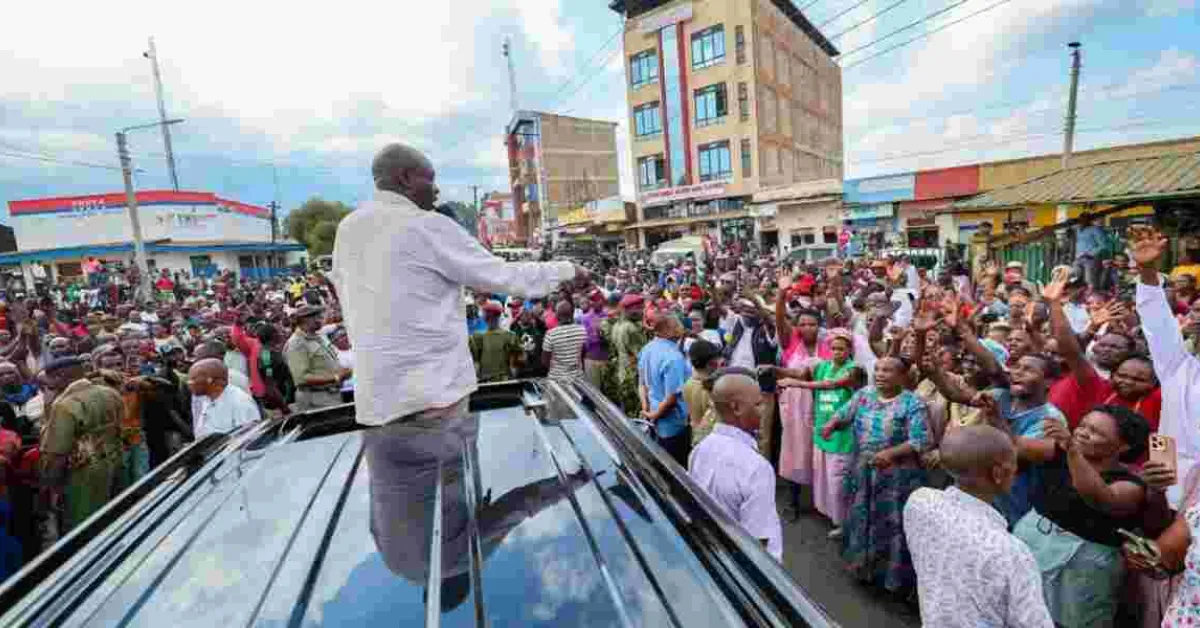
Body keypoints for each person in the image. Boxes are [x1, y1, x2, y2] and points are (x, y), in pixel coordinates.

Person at [330, 143, 583, 426]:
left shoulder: (348, 229)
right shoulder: (427, 224)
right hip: (434, 397)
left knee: (392, 472)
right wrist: (568, 270)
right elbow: (503, 276)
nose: (436, 191)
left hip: (377, 402)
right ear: (405, 178)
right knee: (447, 469)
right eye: (431, 179)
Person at [904, 425, 1054, 628]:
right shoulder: (1012, 552)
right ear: (998, 473)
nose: (1016, 470)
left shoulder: (919, 502)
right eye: (1014, 464)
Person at [1013, 406, 1150, 628]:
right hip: (1032, 543)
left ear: (1123, 446)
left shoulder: (1131, 485)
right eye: (1083, 425)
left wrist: (1072, 451)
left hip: (1081, 573)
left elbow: (1099, 497)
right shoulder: (1058, 452)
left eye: (1095, 432)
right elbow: (1012, 444)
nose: (1082, 432)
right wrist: (993, 417)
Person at [821, 356, 928, 593]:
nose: (879, 374)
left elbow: (921, 440)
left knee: (891, 524)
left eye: (887, 371)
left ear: (902, 376)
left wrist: (891, 453)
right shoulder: (864, 395)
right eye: (877, 369)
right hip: (863, 470)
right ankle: (860, 566)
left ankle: (892, 579)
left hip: (895, 479)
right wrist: (831, 425)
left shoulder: (913, 403)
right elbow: (843, 415)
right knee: (860, 516)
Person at [1129, 225, 1200, 508]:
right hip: (1171, 496)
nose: (1197, 317)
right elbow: (1156, 321)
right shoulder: (1179, 367)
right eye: (1196, 310)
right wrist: (1147, 272)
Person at [687, 368, 782, 560]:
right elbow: (761, 543)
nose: (764, 409)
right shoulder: (756, 468)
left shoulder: (700, 450)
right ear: (736, 407)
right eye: (758, 404)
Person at [775, 328, 862, 534]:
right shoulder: (823, 366)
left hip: (843, 435)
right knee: (824, 478)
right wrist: (775, 369)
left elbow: (831, 385)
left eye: (841, 349)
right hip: (823, 432)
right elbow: (799, 371)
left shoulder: (855, 370)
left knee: (839, 481)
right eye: (833, 348)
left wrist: (797, 384)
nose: (836, 352)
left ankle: (845, 523)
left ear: (850, 350)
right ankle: (834, 517)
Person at [36, 356, 125, 544]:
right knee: (112, 519)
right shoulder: (111, 393)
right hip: (114, 463)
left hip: (81, 474)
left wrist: (50, 489)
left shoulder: (65, 405)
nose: (46, 385)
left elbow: (56, 455)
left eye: (48, 380)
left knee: (81, 530)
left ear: (59, 376)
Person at [775, 271, 832, 492]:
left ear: (819, 326)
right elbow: (779, 319)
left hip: (821, 400)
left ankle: (820, 494)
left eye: (812, 324)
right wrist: (781, 294)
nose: (808, 328)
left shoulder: (827, 344)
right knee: (794, 447)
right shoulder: (790, 341)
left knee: (819, 447)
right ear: (797, 327)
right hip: (795, 403)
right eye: (803, 324)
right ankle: (794, 498)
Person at [638, 316, 692, 466]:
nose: (682, 328)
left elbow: (641, 384)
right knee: (675, 466)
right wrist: (653, 415)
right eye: (678, 325)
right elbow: (671, 399)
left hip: (653, 420)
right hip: (672, 424)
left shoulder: (647, 348)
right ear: (668, 330)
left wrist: (646, 409)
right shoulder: (674, 358)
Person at [284, 305, 350, 411]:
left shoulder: (317, 337)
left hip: (330, 394)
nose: (321, 320)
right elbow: (302, 378)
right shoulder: (297, 343)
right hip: (316, 399)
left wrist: (342, 373)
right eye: (317, 317)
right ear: (305, 319)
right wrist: (336, 377)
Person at [187, 358, 262, 438]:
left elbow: (249, 438)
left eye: (193, 379)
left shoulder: (240, 402)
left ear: (209, 380)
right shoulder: (206, 399)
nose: (189, 383)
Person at [468, 301, 520, 383]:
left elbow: (476, 364)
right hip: (506, 382)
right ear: (499, 316)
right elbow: (515, 367)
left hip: (485, 382)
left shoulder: (477, 337)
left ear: (485, 318)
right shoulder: (511, 336)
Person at [682, 339, 722, 446]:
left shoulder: (688, 384)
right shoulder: (710, 390)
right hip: (709, 439)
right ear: (711, 363)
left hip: (694, 433)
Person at [541, 301, 587, 384]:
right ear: (572, 313)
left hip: (557, 380)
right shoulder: (582, 330)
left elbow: (545, 361)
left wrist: (558, 369)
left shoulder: (551, 334)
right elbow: (583, 353)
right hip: (577, 378)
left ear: (557, 316)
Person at [1075, 213, 1108, 289]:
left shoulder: (1095, 230)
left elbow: (1103, 245)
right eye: (1080, 219)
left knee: (1089, 281)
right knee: (1075, 279)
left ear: (1089, 220)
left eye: (1084, 219)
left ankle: (1092, 298)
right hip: (1078, 258)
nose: (1082, 221)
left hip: (1090, 259)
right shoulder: (1078, 230)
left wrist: (1090, 253)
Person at [328, 326, 355, 403]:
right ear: (334, 341)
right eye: (341, 336)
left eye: (345, 335)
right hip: (348, 390)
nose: (345, 338)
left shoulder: (357, 349)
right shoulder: (334, 356)